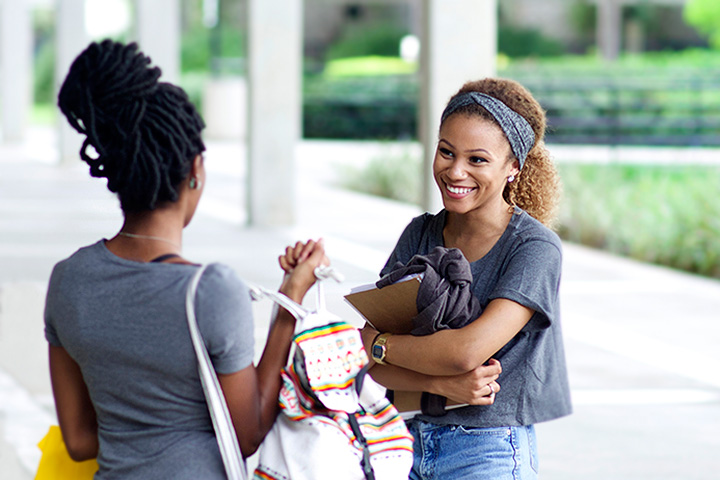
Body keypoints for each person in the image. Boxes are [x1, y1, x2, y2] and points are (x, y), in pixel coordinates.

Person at [45, 39, 328, 479]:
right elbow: (248, 431)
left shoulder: (69, 280)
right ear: (195, 171)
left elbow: (79, 440)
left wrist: (137, 425)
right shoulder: (209, 290)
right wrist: (290, 301)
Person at [361, 77, 572, 480]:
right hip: (401, 444)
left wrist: (382, 345)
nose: (455, 171)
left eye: (477, 159)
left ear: (513, 168)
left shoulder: (534, 248)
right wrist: (443, 386)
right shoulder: (419, 233)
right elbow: (365, 359)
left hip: (487, 452)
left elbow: (465, 352)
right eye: (446, 152)